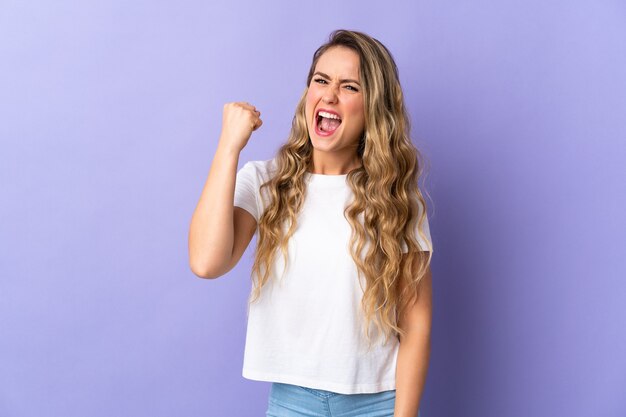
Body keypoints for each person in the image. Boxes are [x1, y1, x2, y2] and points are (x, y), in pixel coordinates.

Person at [189, 29, 433, 417]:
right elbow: (206, 261)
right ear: (308, 94)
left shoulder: (397, 198)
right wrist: (229, 146)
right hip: (292, 403)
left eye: (350, 86)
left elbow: (416, 324)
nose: (330, 94)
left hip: (378, 404)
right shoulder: (266, 183)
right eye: (321, 80)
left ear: (374, 107)